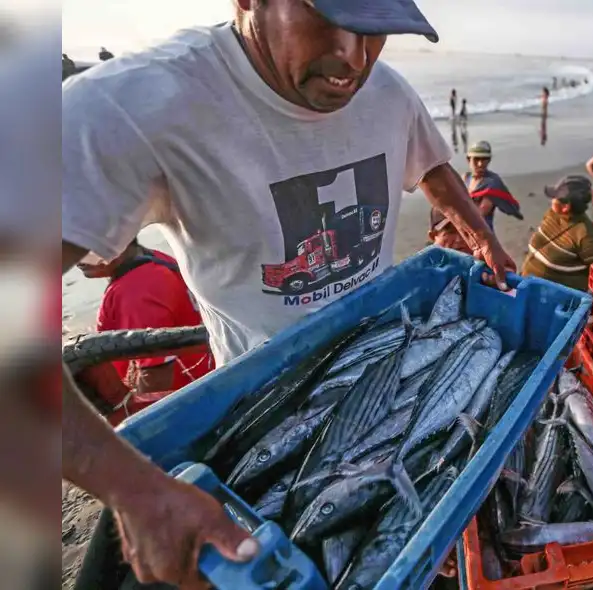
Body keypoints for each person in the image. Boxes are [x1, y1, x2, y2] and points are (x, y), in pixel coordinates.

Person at [61, 1, 516, 586]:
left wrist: (481, 237)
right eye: (327, 17)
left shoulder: (387, 92)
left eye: (375, 28)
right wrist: (132, 488)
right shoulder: (130, 107)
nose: (354, 59)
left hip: (389, 354)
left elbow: (431, 166)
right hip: (264, 405)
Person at [77, 238, 214, 394]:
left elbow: (156, 378)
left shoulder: (135, 293)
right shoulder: (154, 258)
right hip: (206, 371)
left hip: (191, 392)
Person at [521, 175, 593, 292]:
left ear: (566, 207)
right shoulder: (552, 214)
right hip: (528, 286)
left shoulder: (587, 235)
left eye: (555, 198)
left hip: (555, 296)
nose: (552, 200)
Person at [462, 141, 523, 231]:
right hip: (462, 228)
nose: (480, 164)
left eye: (484, 159)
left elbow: (479, 215)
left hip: (482, 232)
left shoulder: (492, 183)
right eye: (476, 159)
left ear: (489, 160)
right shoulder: (466, 178)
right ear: (468, 160)